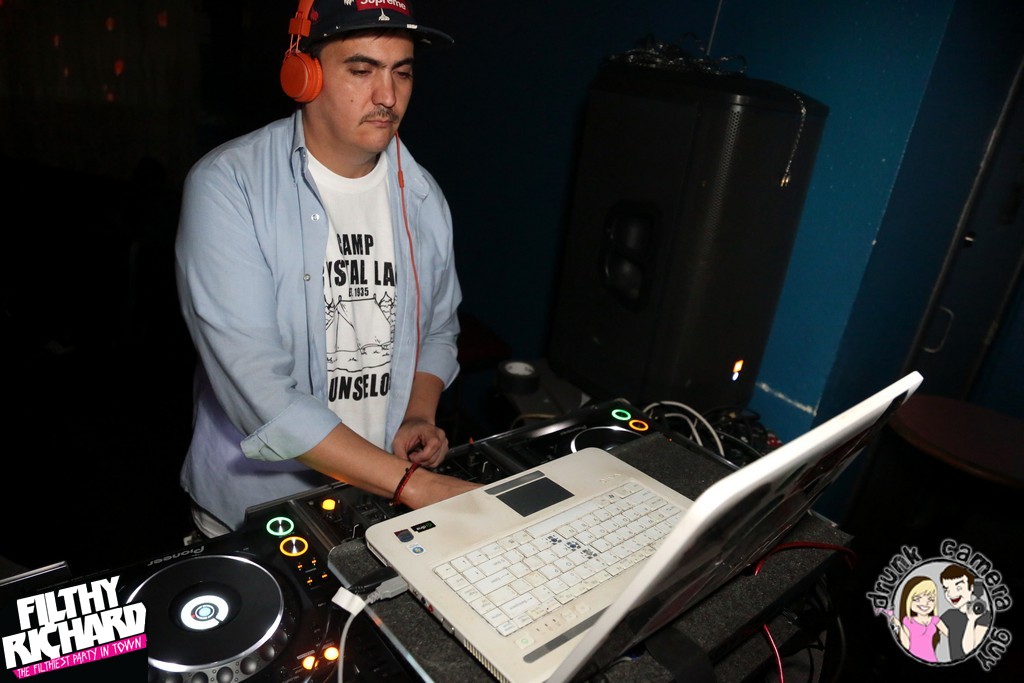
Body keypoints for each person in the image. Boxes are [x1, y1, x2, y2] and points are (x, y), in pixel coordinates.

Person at [174, 0, 477, 537]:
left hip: (379, 499)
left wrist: (417, 413)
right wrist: (416, 486)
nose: (388, 97)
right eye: (362, 70)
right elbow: (259, 391)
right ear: (303, 74)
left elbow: (438, 329)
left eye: (402, 73)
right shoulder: (228, 186)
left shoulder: (423, 195)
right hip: (260, 512)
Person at [890, 575, 948, 662]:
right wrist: (899, 626)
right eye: (917, 599)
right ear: (908, 600)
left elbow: (951, 635)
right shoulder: (908, 621)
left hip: (931, 659)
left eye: (931, 599)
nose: (925, 603)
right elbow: (906, 645)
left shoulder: (935, 620)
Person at [939, 564, 991, 660]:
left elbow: (969, 650)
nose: (951, 594)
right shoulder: (949, 615)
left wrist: (971, 620)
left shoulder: (984, 616)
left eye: (958, 588)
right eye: (946, 589)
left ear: (971, 587)